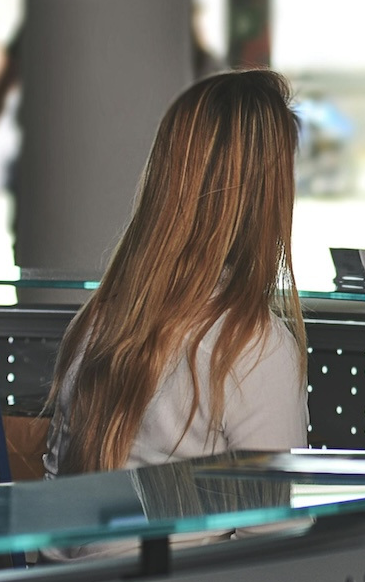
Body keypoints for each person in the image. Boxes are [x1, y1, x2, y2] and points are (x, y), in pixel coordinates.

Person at [44, 69, 308, 481]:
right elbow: (274, 536)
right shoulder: (254, 350)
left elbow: (54, 496)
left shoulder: (96, 322)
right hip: (191, 551)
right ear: (266, 196)